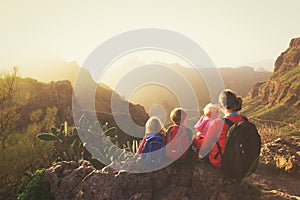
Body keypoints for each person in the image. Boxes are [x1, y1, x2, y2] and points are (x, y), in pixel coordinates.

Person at [198, 89, 245, 168]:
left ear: (220, 106)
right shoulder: (245, 120)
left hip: (222, 162)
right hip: (242, 161)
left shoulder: (218, 123)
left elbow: (205, 145)